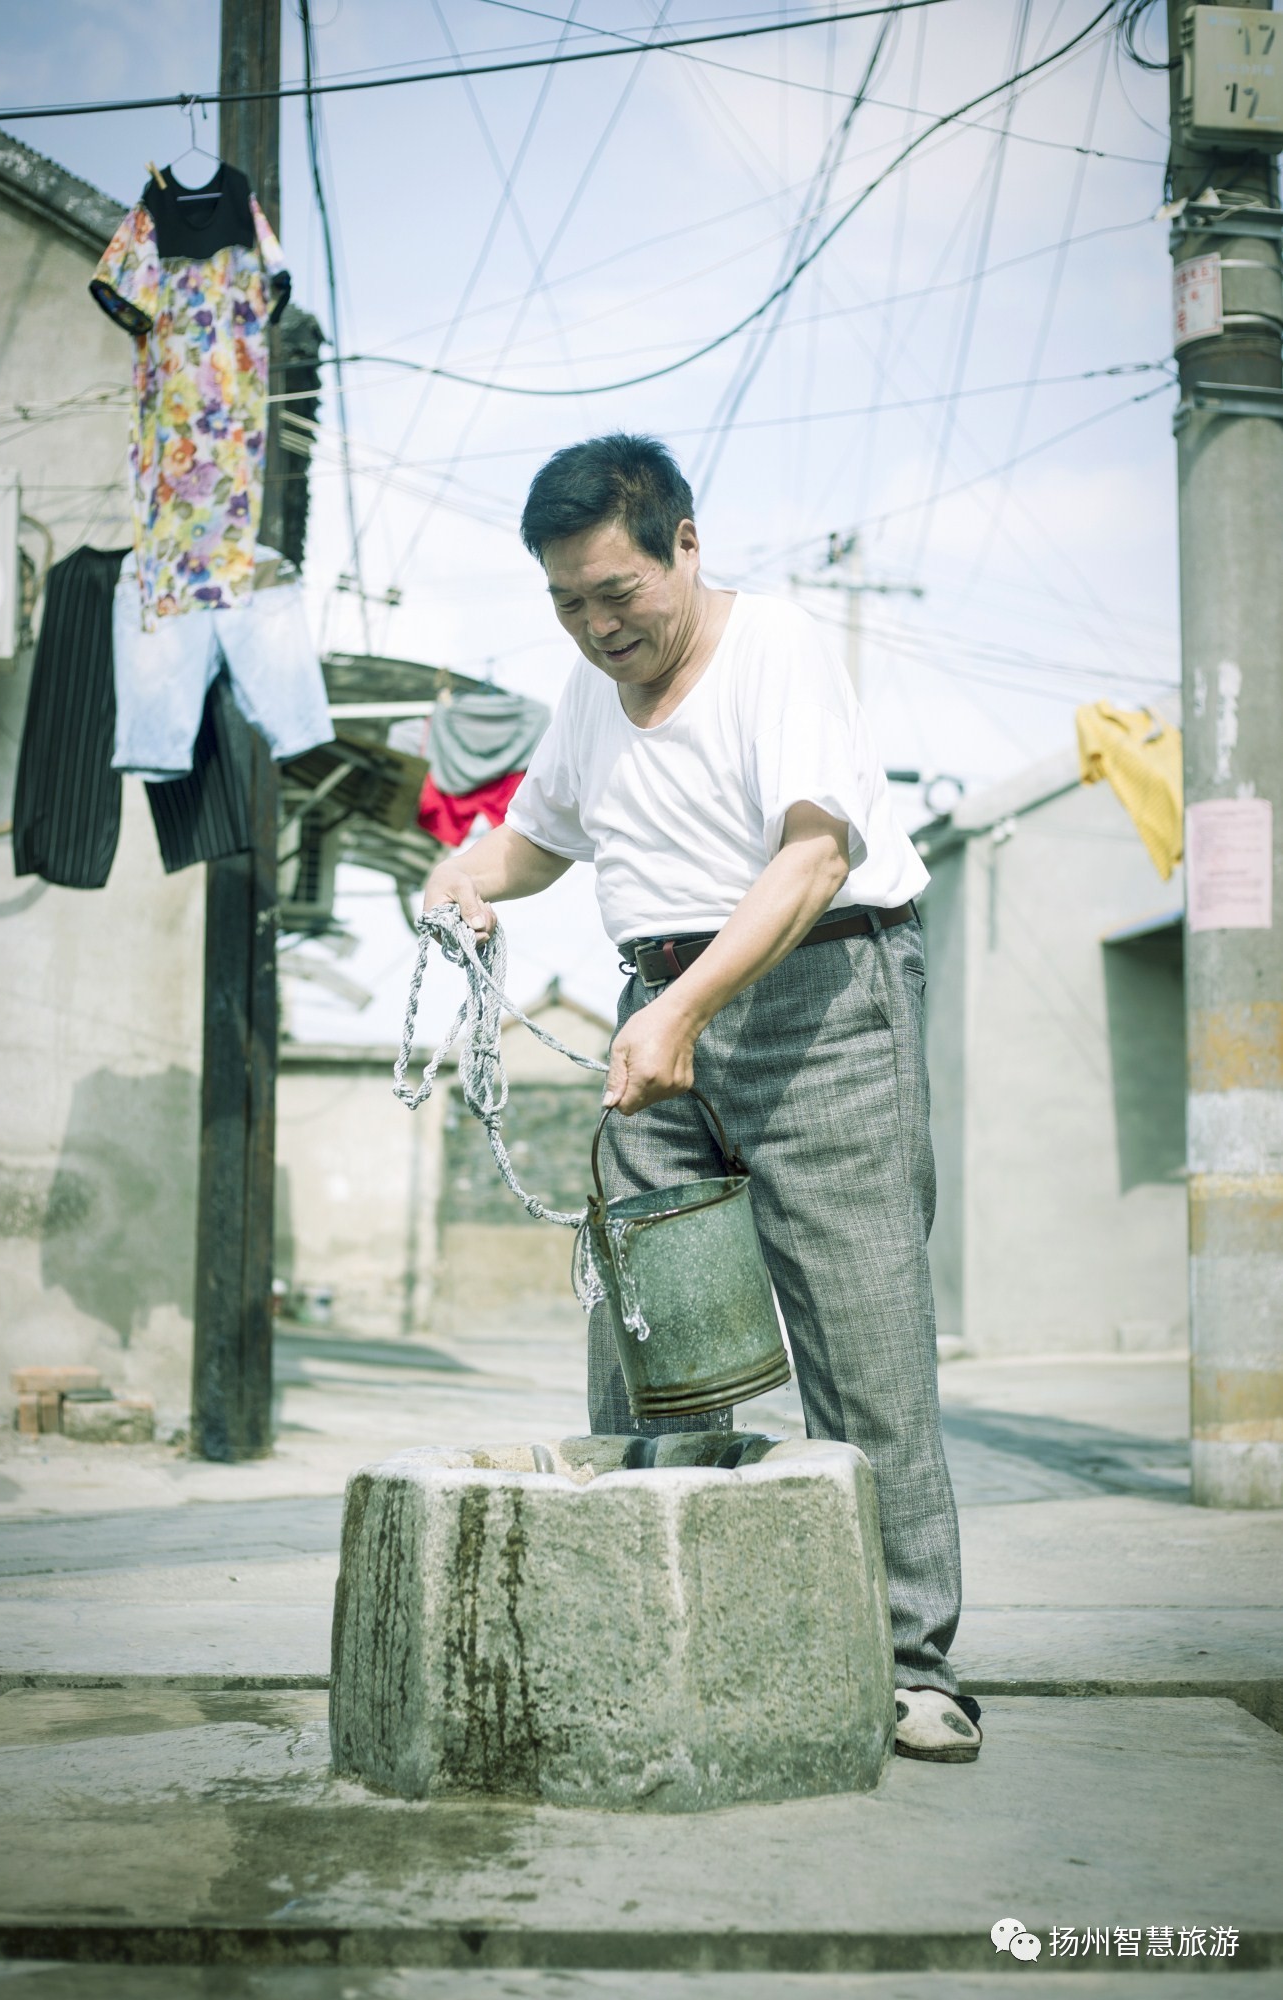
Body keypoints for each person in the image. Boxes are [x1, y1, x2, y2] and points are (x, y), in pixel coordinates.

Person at [422, 433, 981, 1764]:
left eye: (616, 592)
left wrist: (686, 1008)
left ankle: (909, 1662)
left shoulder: (774, 649)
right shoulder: (583, 692)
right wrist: (459, 881)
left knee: (860, 1340)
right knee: (656, 1340)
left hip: (819, 1003)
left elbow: (811, 857)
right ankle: (656, 1626)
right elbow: (538, 839)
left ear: (685, 543)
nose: (597, 624)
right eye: (567, 601)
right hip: (656, 1007)